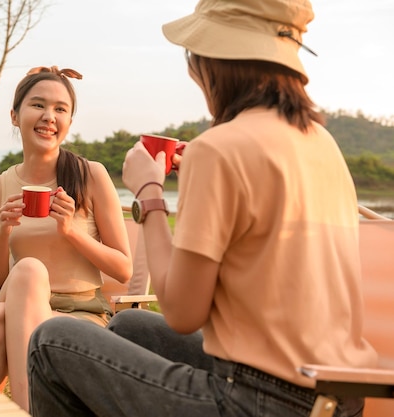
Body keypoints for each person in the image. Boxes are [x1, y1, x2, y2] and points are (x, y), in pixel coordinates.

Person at [27, 1, 379, 416]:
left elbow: (180, 311)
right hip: (337, 397)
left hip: (257, 402)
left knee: (51, 341)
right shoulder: (321, 142)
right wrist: (205, 169)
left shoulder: (222, 148)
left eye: (194, 57)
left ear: (216, 62)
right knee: (130, 326)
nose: (194, 71)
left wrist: (150, 194)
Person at [0, 65, 133, 411]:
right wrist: (3, 233)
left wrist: (71, 231)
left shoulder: (90, 175)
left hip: (81, 316)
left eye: (61, 109)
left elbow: (123, 269)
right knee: (27, 274)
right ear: (15, 116)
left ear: (70, 122)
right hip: (18, 307)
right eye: (38, 105)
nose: (49, 117)